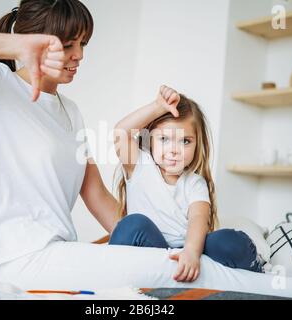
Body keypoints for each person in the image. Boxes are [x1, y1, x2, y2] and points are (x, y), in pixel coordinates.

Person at [0, 0, 292, 300]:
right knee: (178, 270)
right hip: (15, 260)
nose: (79, 55)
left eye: (83, 44)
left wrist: (140, 244)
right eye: (67, 45)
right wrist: (12, 47)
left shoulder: (70, 111)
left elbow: (96, 194)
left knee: (170, 264)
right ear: (33, 41)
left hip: (58, 252)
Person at [111, 85, 263, 284]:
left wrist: (191, 252)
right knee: (132, 225)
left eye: (185, 142)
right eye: (164, 139)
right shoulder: (139, 166)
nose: (175, 150)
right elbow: (121, 132)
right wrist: (157, 107)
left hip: (188, 249)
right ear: (150, 140)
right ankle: (109, 281)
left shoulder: (194, 182)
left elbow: (198, 217)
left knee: (228, 241)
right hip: (155, 251)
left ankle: (259, 271)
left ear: (197, 144)